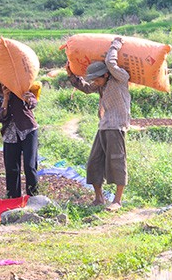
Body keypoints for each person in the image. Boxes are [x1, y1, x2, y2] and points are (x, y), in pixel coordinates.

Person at [65, 37, 130, 212]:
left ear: (106, 74)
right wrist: (71, 75)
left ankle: (117, 200)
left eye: (97, 79)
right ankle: (99, 197)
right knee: (94, 162)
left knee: (116, 161)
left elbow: (110, 61)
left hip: (116, 126)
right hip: (103, 126)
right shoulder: (100, 85)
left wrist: (116, 44)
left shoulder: (120, 78)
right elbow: (86, 88)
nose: (95, 82)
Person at [0, 69, 39, 199]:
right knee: (12, 168)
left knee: (30, 166)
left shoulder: (15, 86)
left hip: (27, 129)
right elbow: (0, 117)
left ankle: (34, 198)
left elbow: (33, 102)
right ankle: (13, 199)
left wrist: (28, 99)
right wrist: (5, 99)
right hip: (10, 134)